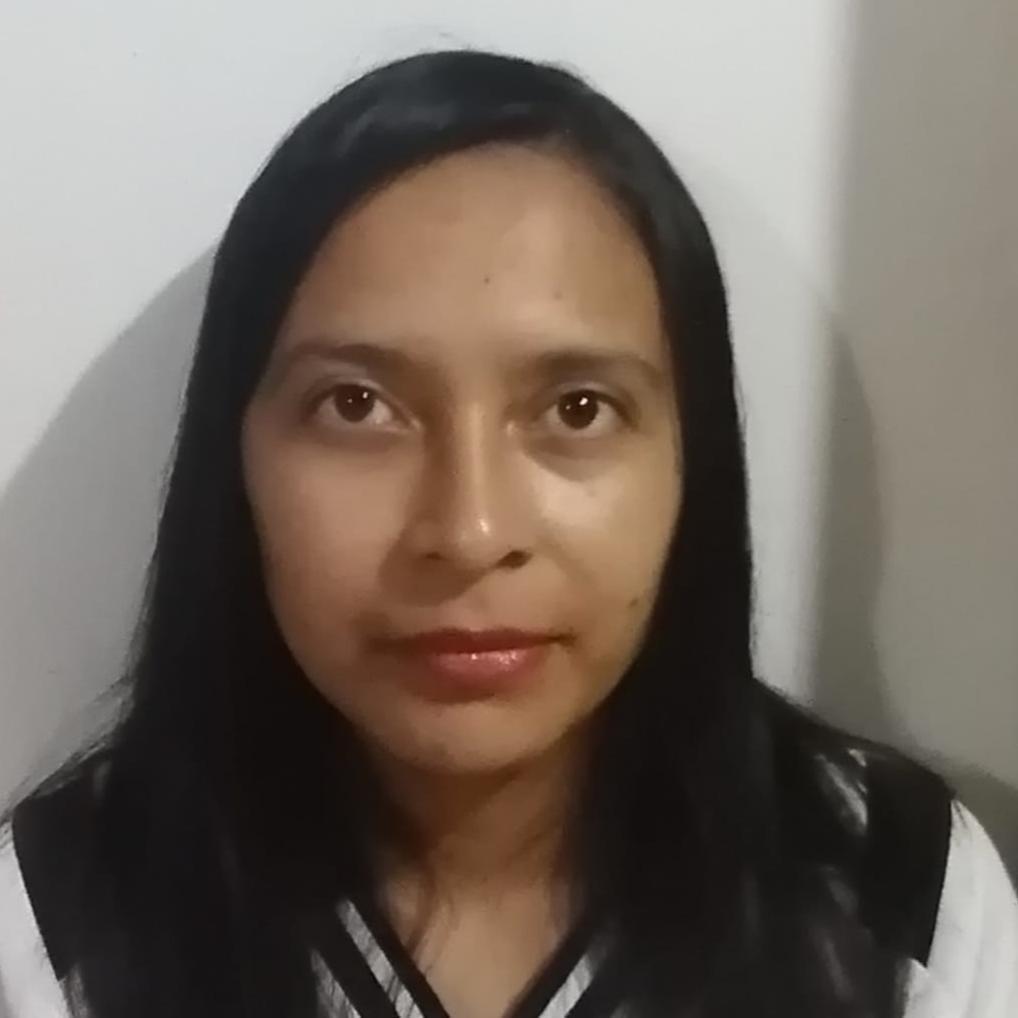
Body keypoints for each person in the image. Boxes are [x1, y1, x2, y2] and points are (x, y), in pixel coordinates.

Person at [0, 49, 1014, 1018]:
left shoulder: (896, 895)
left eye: (577, 408)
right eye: (356, 404)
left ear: (689, 461)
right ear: (237, 457)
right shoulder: (58, 929)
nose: (469, 531)